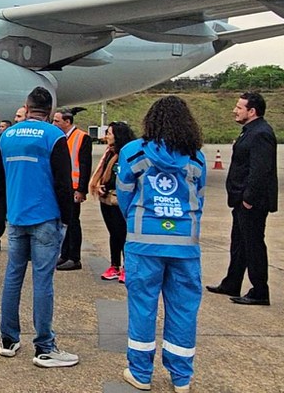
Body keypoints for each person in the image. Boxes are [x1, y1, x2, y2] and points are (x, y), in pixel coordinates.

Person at [117, 95, 206, 392]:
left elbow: (125, 196)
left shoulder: (133, 152)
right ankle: (181, 377)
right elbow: (200, 197)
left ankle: (141, 373)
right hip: (184, 243)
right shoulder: (196, 156)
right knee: (184, 309)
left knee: (142, 307)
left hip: (144, 242)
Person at [0, 86, 77, 366]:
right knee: (43, 282)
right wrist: (66, 220)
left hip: (16, 217)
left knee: (12, 279)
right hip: (45, 216)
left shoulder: (7, 135)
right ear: (51, 111)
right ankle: (44, 346)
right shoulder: (54, 135)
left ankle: (8, 339)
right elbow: (64, 184)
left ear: (26, 107)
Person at [207, 91, 277, 306]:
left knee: (253, 244)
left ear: (252, 111)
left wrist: (249, 198)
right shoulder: (250, 131)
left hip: (252, 201)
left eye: (239, 107)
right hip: (241, 199)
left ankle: (260, 290)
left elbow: (260, 170)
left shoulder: (261, 133)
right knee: (239, 242)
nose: (235, 110)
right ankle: (232, 282)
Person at [89, 121, 135, 283]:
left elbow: (124, 176)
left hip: (118, 199)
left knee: (122, 233)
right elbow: (103, 172)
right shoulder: (109, 152)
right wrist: (100, 185)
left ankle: (127, 267)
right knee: (113, 234)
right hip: (106, 199)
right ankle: (114, 265)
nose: (106, 136)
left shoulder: (127, 154)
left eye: (109, 133)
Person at [52, 108, 92, 271]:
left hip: (74, 188)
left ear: (67, 122)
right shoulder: (61, 137)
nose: (54, 123)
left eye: (57, 121)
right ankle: (65, 254)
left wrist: (81, 189)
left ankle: (75, 258)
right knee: (65, 222)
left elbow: (85, 165)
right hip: (64, 187)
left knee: (74, 223)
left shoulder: (82, 137)